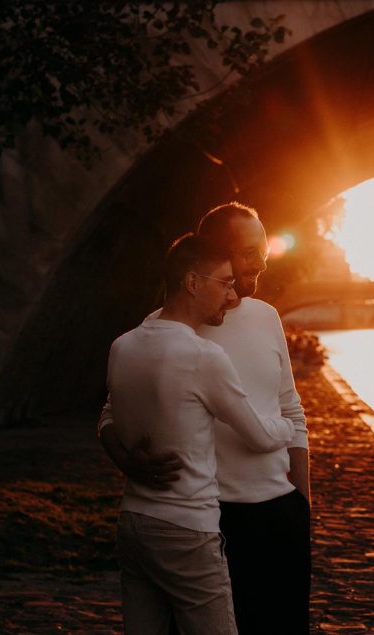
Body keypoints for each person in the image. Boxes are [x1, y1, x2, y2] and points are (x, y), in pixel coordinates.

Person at [100, 203, 311, 634]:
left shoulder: (267, 318)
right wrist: (128, 462)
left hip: (275, 514)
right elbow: (110, 413)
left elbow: (291, 407)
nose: (262, 261)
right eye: (249, 251)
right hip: (204, 518)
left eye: (263, 250)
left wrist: (302, 505)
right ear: (212, 258)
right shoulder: (163, 327)